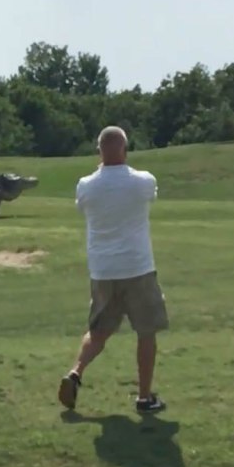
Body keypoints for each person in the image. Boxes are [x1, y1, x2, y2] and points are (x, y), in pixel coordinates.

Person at [58, 125, 169, 414]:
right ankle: (144, 398)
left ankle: (76, 373)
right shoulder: (143, 181)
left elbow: (85, 206)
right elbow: (150, 196)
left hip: (103, 270)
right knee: (146, 331)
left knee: (98, 331)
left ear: (98, 152)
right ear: (126, 149)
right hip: (138, 267)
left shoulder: (86, 185)